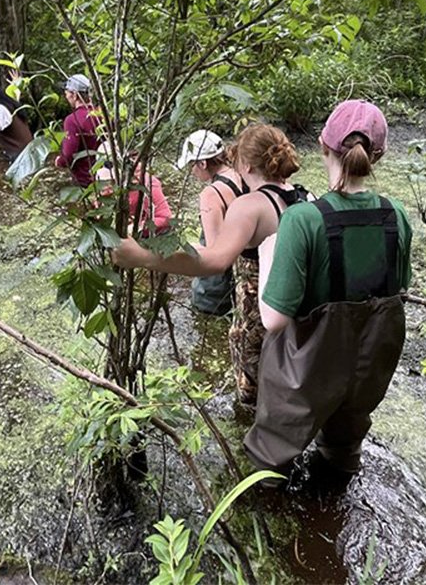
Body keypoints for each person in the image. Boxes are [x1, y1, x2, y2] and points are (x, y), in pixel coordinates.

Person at [243, 100, 412, 484]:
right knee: (342, 453)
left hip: (306, 370)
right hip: (369, 366)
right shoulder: (396, 216)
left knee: (270, 463)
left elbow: (273, 319)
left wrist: (269, 254)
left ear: (322, 144)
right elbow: (398, 289)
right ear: (378, 156)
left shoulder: (302, 219)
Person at [112, 124, 310, 404]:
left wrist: (142, 256)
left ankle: (253, 436)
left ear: (248, 166)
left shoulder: (251, 205)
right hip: (295, 305)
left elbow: (216, 260)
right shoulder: (302, 196)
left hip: (259, 309)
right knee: (284, 372)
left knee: (252, 386)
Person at [176, 130, 248, 315]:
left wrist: (180, 250)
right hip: (246, 276)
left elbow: (214, 252)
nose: (191, 172)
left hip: (216, 288)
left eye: (192, 165)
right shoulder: (242, 175)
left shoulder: (211, 194)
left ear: (203, 163)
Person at [95, 143, 173, 236]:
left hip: (154, 235)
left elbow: (165, 217)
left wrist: (138, 227)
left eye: (112, 181)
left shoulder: (148, 184)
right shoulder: (103, 183)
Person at [54, 75, 102, 186]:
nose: (65, 95)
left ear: (75, 95)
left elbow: (69, 155)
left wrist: (59, 161)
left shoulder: (72, 120)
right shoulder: (102, 115)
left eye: (67, 92)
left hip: (84, 181)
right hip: (105, 178)